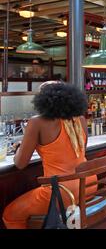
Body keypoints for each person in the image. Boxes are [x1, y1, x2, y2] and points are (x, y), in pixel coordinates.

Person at [2, 82, 94, 229]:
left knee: (10, 214)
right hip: (88, 184)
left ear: (43, 99)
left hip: (61, 192)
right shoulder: (80, 119)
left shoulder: (37, 122)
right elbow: (78, 149)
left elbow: (20, 163)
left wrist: (19, 147)